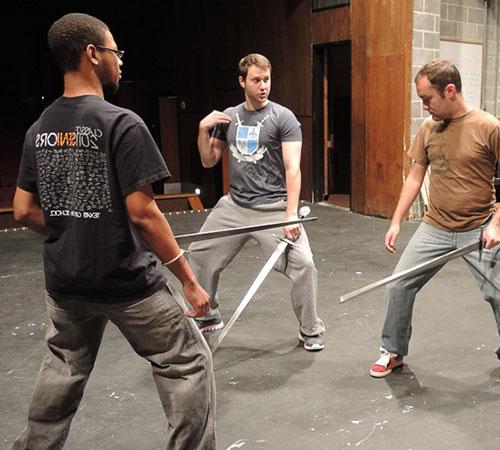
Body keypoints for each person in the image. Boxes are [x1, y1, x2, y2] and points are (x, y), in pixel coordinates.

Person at [12, 13, 215, 449]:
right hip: (125, 283)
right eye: (114, 52)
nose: (120, 62)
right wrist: (189, 281)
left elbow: (23, 210)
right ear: (91, 54)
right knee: (187, 361)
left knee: (63, 368)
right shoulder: (121, 123)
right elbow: (143, 214)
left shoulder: (39, 128)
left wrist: (71, 228)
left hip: (65, 283)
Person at [369, 59, 500, 386]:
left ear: (450, 91)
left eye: (427, 98)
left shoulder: (487, 126)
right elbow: (415, 177)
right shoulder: (428, 129)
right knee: (398, 285)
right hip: (435, 227)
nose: (424, 105)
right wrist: (397, 220)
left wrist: (497, 223)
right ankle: (393, 350)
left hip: (479, 228)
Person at [189, 53, 325, 351]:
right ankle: (208, 317)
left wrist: (291, 213)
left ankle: (310, 329)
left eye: (267, 79)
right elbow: (208, 159)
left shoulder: (283, 118)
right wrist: (202, 129)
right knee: (198, 255)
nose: (263, 85)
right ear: (242, 81)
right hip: (235, 206)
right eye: (256, 80)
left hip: (273, 209)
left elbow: (293, 168)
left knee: (304, 264)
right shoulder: (228, 117)